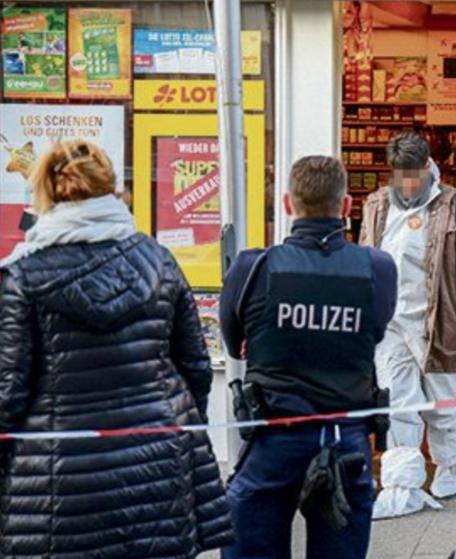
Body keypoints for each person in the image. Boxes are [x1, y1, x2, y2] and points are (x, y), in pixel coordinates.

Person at [0, 140, 233, 557]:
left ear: (48, 193)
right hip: (157, 466)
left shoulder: (22, 275)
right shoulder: (158, 260)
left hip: (57, 480)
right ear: (112, 189)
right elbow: (196, 368)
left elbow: (8, 395)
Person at [219, 155, 397, 559]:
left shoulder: (253, 267)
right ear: (348, 205)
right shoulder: (378, 268)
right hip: (345, 438)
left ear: (286, 204)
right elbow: (377, 332)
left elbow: (234, 347)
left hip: (273, 439)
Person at [359, 132, 456, 519]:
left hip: (441, 320)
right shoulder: (377, 205)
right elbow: (366, 257)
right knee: (399, 403)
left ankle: (452, 469)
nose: (408, 184)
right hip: (390, 324)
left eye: (414, 175)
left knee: (442, 404)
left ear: (428, 167)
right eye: (401, 175)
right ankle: (402, 482)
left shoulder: (453, 206)